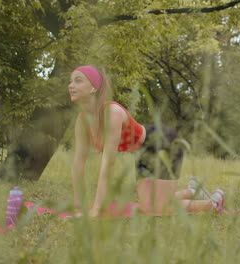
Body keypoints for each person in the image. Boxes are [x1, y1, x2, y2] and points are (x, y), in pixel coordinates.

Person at [68, 65, 225, 217]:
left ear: (93, 88)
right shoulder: (82, 122)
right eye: (71, 81)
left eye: (78, 80)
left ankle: (211, 204)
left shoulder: (111, 112)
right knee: (148, 205)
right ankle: (192, 191)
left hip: (163, 143)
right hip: (142, 153)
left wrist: (97, 208)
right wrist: (77, 206)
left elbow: (108, 163)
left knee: (157, 207)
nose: (71, 85)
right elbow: (78, 165)